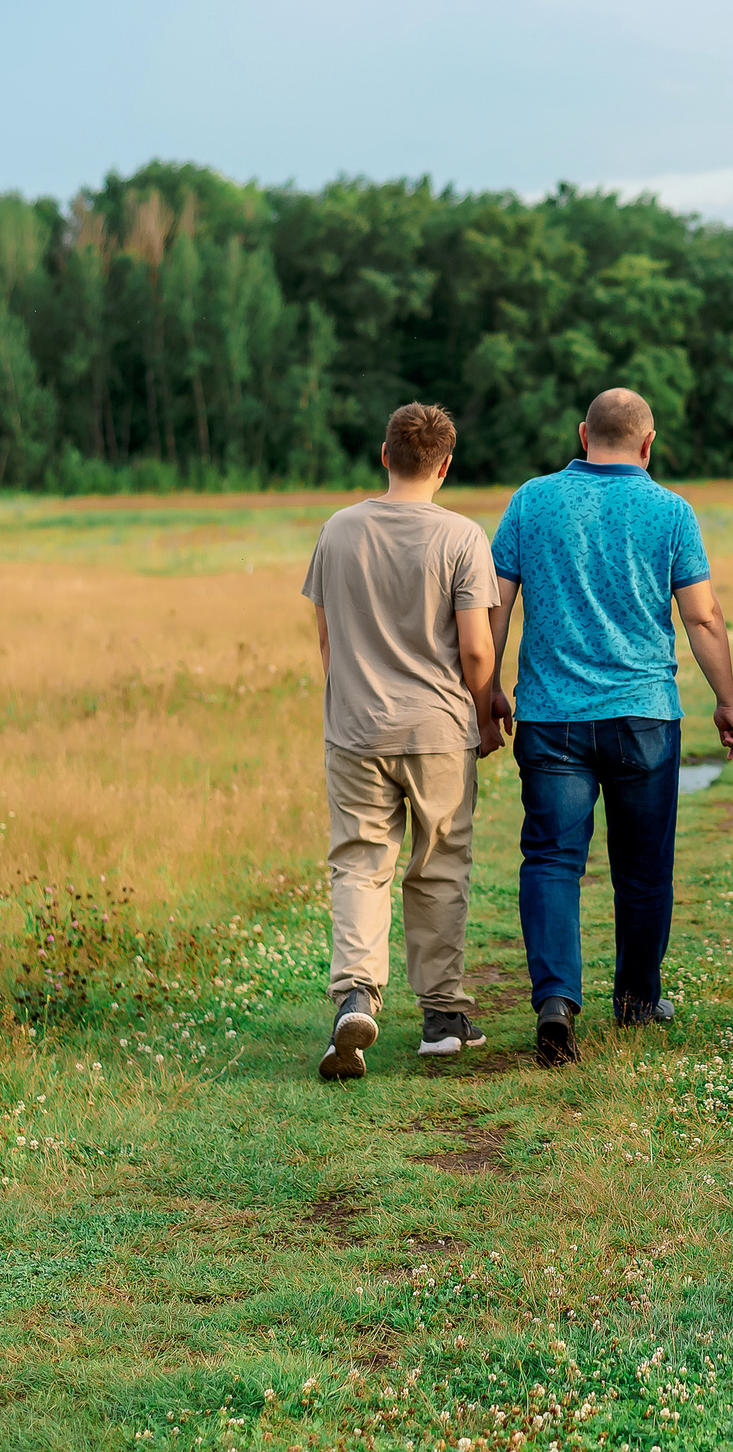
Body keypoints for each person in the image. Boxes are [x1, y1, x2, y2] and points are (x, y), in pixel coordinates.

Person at [488, 388, 733, 1066]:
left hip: (551, 716)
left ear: (583, 434)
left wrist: (485, 688)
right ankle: (637, 999)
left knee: (552, 859)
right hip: (644, 717)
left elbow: (497, 602)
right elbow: (703, 618)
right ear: (647, 442)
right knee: (642, 869)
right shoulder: (669, 510)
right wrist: (729, 700)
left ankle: (555, 1000)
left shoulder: (532, 499)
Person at [304, 403, 504, 1081]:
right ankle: (444, 1017)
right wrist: (486, 711)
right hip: (439, 730)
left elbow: (327, 640)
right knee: (438, 863)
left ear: (384, 454)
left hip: (356, 729)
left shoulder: (338, 530)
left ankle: (356, 995)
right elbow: (476, 648)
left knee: (360, 862)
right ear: (445, 466)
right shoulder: (462, 537)